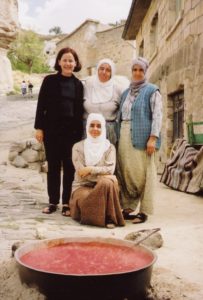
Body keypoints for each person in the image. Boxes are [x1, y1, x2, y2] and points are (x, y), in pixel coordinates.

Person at [34, 47, 84, 216]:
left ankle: (66, 203)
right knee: (53, 167)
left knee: (69, 168)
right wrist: (39, 128)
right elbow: (41, 105)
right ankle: (53, 202)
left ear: (75, 63)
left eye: (71, 60)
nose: (68, 63)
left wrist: (80, 134)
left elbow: (79, 111)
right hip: (52, 131)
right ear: (59, 62)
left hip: (71, 133)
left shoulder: (78, 85)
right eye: (65, 60)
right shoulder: (49, 81)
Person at [117, 57, 162, 223]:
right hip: (124, 135)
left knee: (145, 173)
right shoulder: (125, 93)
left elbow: (157, 115)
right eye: (134, 69)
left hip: (143, 137)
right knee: (126, 172)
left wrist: (153, 138)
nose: (137, 73)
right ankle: (128, 206)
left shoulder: (152, 90)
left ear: (145, 72)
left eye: (140, 70)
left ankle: (144, 210)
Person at [70, 113, 125, 228]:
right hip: (82, 186)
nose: (95, 129)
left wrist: (90, 169)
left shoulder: (109, 148)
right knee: (108, 181)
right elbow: (81, 173)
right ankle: (107, 216)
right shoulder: (78, 147)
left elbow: (110, 169)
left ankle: (109, 218)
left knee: (106, 183)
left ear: (103, 128)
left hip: (104, 187)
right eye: (92, 125)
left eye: (99, 126)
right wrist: (103, 174)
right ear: (87, 127)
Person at [83, 58, 128, 145]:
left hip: (109, 131)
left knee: (107, 157)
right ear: (97, 70)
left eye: (108, 70)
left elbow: (122, 112)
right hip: (88, 130)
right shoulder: (87, 85)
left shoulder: (118, 89)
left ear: (112, 73)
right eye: (101, 68)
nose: (104, 72)